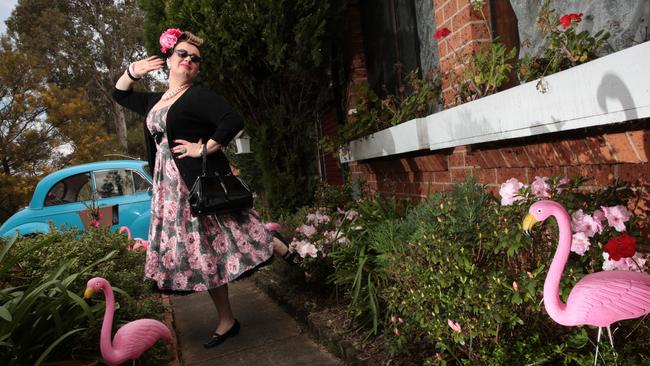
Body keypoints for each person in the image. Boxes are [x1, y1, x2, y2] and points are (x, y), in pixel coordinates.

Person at [112, 28, 294, 348]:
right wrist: (132, 72)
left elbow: (232, 119)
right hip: (168, 188)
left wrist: (205, 147)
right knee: (202, 254)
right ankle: (228, 318)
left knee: (224, 236)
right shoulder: (155, 101)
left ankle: (271, 248)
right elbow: (121, 94)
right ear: (168, 60)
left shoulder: (197, 96)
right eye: (182, 54)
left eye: (195, 59)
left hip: (195, 182)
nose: (189, 61)